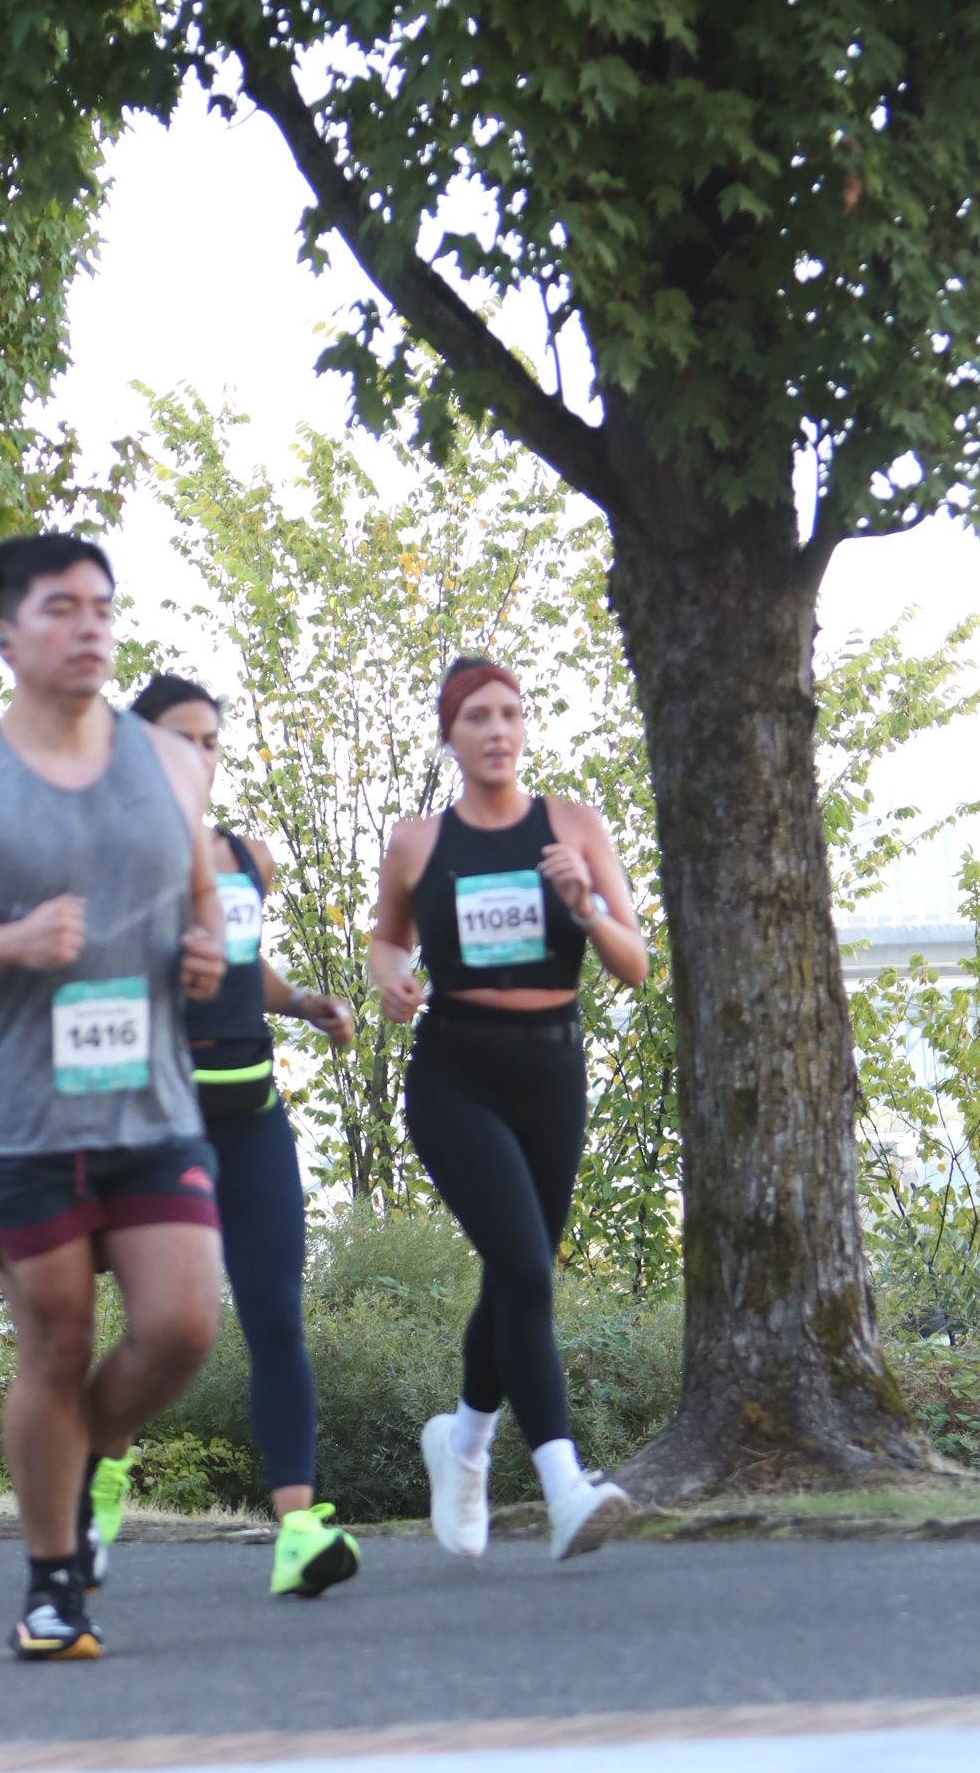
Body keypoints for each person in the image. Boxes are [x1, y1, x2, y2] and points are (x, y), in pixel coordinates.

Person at [0, 533, 226, 1658]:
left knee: (181, 1328)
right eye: (60, 608)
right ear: (3, 636)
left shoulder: (168, 765)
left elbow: (203, 897)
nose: (89, 627)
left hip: (149, 1104)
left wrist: (205, 954)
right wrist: (12, 940)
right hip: (18, 1116)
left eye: (102, 608)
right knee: (59, 1340)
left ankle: (84, 1460)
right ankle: (49, 1583)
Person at [368, 657, 648, 1564]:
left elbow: (635, 964)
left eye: (511, 713)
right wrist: (391, 982)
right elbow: (387, 940)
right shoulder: (417, 842)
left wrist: (583, 905)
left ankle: (463, 1448)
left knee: (515, 1274)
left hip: (552, 1073)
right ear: (449, 735)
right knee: (527, 1269)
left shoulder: (574, 826)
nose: (498, 730)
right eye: (477, 717)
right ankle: (566, 1490)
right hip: (456, 1073)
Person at [111, 674, 361, 1601]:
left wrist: (304, 1003)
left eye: (212, 741)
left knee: (275, 1315)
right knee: (159, 1331)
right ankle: (100, 1482)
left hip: (252, 1117)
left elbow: (246, 967)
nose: (201, 757)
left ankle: (297, 1529)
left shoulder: (249, 857)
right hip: (159, 1121)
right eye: (182, 739)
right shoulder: (111, 859)